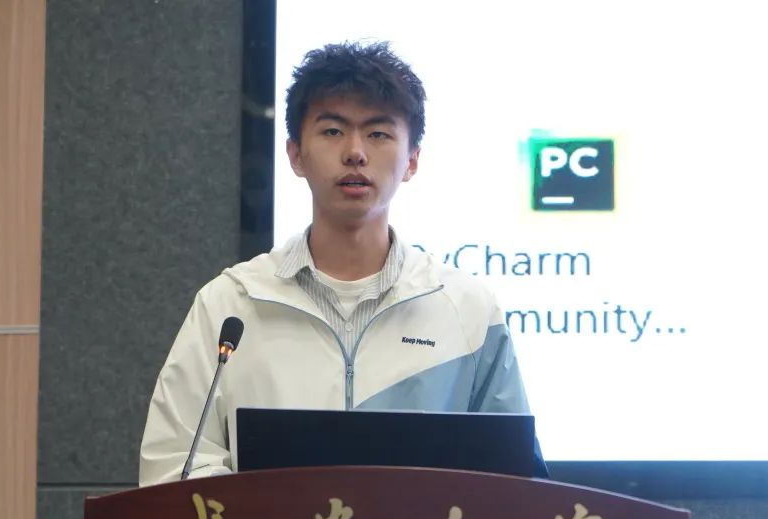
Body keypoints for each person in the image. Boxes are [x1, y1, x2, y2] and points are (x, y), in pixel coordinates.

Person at [139, 41, 539, 486]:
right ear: (295, 155)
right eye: (332, 131)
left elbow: (514, 486)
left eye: (378, 134)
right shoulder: (230, 305)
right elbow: (174, 470)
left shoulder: (466, 310)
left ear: (411, 160)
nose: (355, 152)